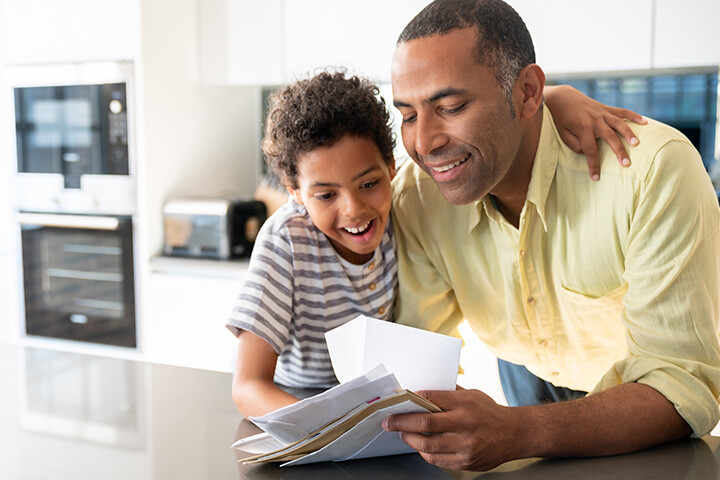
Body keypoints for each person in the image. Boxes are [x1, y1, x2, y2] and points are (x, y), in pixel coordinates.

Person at [383, 0, 720, 472]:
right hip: (524, 374)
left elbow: (682, 386)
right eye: (409, 115)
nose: (424, 143)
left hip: (643, 408)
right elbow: (416, 352)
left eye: (451, 106)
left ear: (526, 92)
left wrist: (518, 429)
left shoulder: (652, 172)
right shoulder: (418, 197)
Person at [226, 69, 646, 420]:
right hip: (303, 415)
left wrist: (558, 97)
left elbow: (494, 118)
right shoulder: (288, 243)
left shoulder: (403, 207)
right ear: (294, 190)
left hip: (374, 412)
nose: (354, 209)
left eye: (369, 183)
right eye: (325, 195)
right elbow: (248, 386)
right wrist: (324, 424)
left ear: (392, 168)